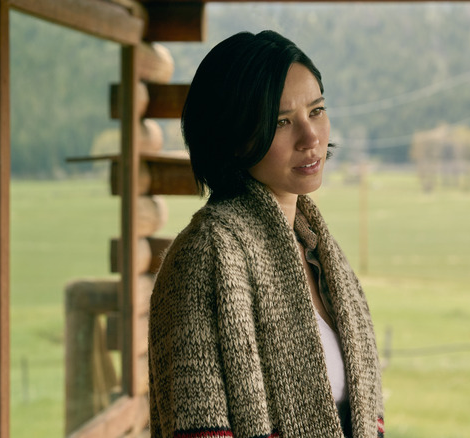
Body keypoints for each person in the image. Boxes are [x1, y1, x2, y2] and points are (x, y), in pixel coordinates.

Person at [148, 30, 385, 438]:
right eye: (281, 122)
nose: (310, 138)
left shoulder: (317, 249)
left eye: (316, 111)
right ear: (234, 137)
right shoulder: (209, 253)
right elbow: (198, 428)